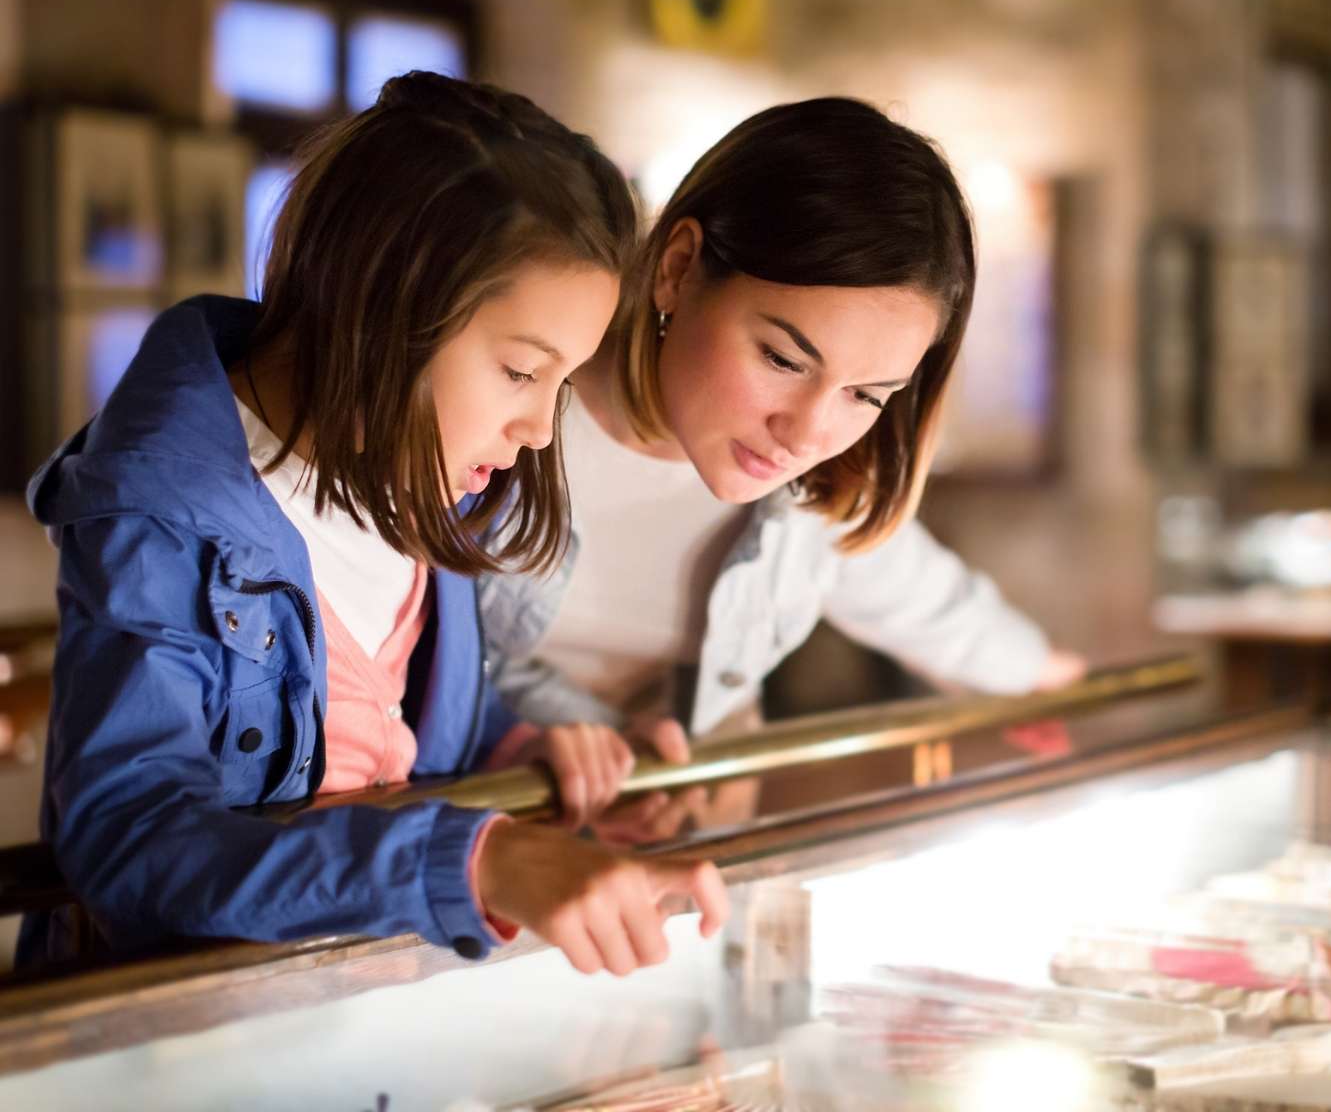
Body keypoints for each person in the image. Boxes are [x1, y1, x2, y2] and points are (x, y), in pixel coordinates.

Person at [21, 72, 726, 977]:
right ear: (382, 308)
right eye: (520, 372)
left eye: (562, 382)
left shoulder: (426, 480)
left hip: (353, 1022)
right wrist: (478, 859)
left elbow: (384, 728)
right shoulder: (161, 519)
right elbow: (132, 842)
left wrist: (523, 754)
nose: (541, 430)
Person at [478, 97, 1087, 834]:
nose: (808, 431)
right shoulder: (499, 425)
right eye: (782, 358)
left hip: (664, 859)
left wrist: (1055, 686)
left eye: (867, 394)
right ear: (678, 268)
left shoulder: (819, 494)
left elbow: (931, 603)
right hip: (476, 849)